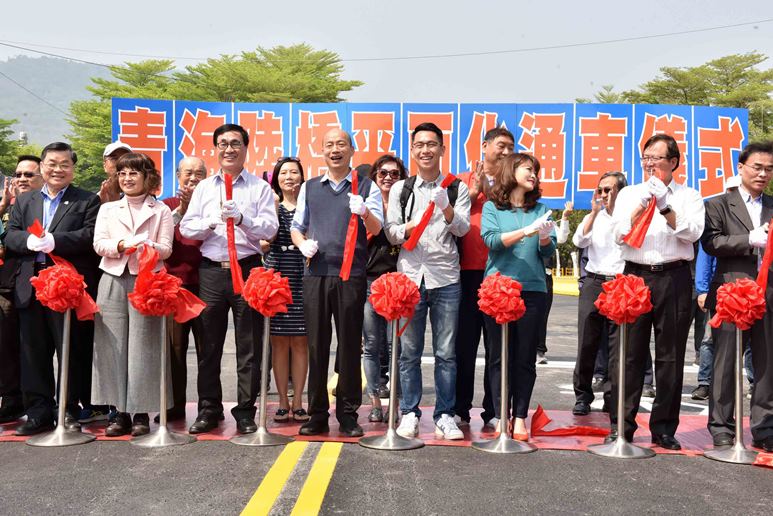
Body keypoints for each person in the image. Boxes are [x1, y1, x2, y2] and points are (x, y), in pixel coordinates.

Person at [180, 123, 278, 435]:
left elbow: (270, 229)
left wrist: (243, 219)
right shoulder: (205, 188)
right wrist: (211, 222)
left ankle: (246, 410)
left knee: (248, 344)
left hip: (248, 268)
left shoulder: (259, 188)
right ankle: (209, 408)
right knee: (208, 344)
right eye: (223, 143)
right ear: (216, 149)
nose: (229, 149)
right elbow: (186, 228)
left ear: (246, 148)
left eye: (235, 143)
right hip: (211, 270)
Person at [610, 134, 705, 449]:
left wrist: (665, 206)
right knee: (629, 354)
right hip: (635, 277)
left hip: (674, 277)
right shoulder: (628, 193)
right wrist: (642, 205)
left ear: (674, 162)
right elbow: (618, 234)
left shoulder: (689, 195)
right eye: (645, 157)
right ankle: (621, 425)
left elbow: (692, 232)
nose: (649, 163)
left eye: (657, 158)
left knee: (670, 357)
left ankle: (664, 428)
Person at [290, 128, 383, 438]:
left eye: (341, 144)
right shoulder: (309, 187)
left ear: (352, 150)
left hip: (350, 276)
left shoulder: (366, 186)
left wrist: (365, 210)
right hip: (316, 274)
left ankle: (347, 412)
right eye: (329, 145)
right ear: (322, 151)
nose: (335, 149)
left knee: (348, 345)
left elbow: (377, 227)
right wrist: (302, 244)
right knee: (316, 344)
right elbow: (297, 226)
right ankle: (317, 413)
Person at [4, 143, 101, 436]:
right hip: (30, 283)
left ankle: (68, 410)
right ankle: (38, 412)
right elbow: (11, 235)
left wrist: (56, 241)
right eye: (52, 164)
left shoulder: (86, 200)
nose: (57, 169)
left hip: (66, 284)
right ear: (42, 167)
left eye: (64, 164)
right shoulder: (25, 200)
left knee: (69, 348)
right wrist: (28, 243)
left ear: (73, 168)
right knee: (33, 350)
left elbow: (89, 236)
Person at [385, 122, 471, 440]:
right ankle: (409, 412)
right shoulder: (401, 189)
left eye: (432, 144)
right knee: (409, 352)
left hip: (446, 278)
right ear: (412, 149)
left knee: (446, 353)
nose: (425, 150)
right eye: (419, 144)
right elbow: (390, 231)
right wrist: (413, 224)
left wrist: (446, 208)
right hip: (409, 278)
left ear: (442, 149)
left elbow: (462, 229)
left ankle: (445, 415)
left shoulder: (455, 188)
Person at [91, 152, 173, 436]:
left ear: (147, 177)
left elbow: (166, 248)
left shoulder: (160, 210)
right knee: (111, 345)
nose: (127, 178)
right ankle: (118, 412)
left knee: (144, 346)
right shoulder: (108, 209)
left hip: (147, 280)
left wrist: (148, 244)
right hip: (113, 277)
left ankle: (141, 412)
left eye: (133, 173)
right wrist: (123, 244)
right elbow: (99, 244)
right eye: (122, 173)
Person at [702, 141, 773, 452]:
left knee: (767, 361)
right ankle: (721, 425)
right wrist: (749, 239)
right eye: (757, 167)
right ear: (741, 168)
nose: (763, 174)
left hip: (768, 291)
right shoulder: (718, 204)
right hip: (733, 290)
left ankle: (764, 427)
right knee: (726, 361)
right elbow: (711, 241)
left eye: (769, 169)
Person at [480, 153, 556, 440]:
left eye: (535, 170)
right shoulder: (492, 208)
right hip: (498, 290)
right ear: (511, 172)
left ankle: (520, 416)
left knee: (525, 357)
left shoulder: (541, 209)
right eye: (528, 169)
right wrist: (527, 230)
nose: (533, 174)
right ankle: (500, 415)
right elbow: (492, 241)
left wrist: (545, 236)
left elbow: (546, 251)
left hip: (532, 289)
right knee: (499, 357)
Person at [454, 127, 513, 429]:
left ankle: (495, 410)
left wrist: (495, 193)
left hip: (498, 275)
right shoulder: (461, 180)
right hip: (464, 273)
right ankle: (460, 409)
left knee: (497, 347)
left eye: (510, 148)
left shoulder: (511, 184)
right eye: (500, 146)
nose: (505, 152)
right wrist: (474, 191)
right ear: (485, 145)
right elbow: (451, 218)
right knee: (463, 346)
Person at [571, 172, 627, 416]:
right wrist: (593, 213)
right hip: (594, 282)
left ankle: (612, 396)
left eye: (610, 190)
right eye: (601, 190)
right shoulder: (594, 217)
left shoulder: (630, 217)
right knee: (587, 342)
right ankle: (582, 396)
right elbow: (578, 240)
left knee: (617, 346)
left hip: (620, 283)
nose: (604, 195)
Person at [158, 157, 206, 422]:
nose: (193, 178)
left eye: (199, 173)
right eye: (188, 172)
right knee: (175, 349)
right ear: (178, 176)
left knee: (207, 350)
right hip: (175, 286)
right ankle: (174, 405)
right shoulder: (166, 206)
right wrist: (183, 209)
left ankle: (209, 406)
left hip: (207, 284)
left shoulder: (213, 204)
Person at [262, 157, 309, 423]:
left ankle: (299, 399)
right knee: (278, 342)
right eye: (283, 173)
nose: (289, 177)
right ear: (276, 179)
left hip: (304, 274)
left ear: (302, 176)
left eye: (294, 172)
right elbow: (264, 239)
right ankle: (281, 400)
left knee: (301, 342)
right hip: (276, 275)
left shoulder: (309, 205)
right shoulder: (271, 205)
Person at [362, 154, 407, 423]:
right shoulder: (366, 204)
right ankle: (375, 403)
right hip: (370, 281)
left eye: (394, 173)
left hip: (400, 282)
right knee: (371, 344)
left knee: (396, 346)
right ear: (375, 177)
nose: (388, 177)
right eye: (383, 173)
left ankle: (396, 404)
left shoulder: (406, 204)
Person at [0, 156, 43, 425]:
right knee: (5, 345)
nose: (22, 179)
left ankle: (42, 403)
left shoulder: (47, 205)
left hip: (39, 284)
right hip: (6, 283)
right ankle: (11, 399)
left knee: (34, 348)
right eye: (19, 174)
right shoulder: (7, 207)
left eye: (29, 174)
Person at [536, 200, 572, 365]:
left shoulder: (548, 223)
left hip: (545, 274)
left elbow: (562, 238)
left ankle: (539, 350)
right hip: (526, 273)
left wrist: (564, 218)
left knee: (542, 314)